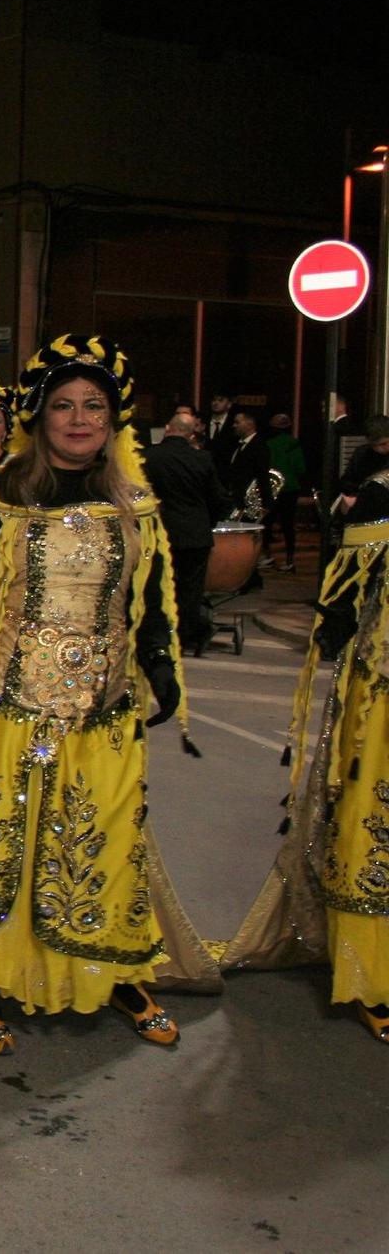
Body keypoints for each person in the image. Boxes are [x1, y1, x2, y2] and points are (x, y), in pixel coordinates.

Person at [0, 334, 221, 1054]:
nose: (77, 419)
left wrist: (161, 663)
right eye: (63, 405)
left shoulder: (136, 505)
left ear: (113, 417)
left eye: (92, 406)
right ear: (39, 417)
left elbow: (151, 604)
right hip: (4, 711)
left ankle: (111, 971)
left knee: (100, 848)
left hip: (101, 715)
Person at [226, 469, 389, 1041]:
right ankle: (374, 974)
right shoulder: (380, 493)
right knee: (374, 832)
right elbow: (343, 603)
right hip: (383, 703)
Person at [145, 413, 231, 655]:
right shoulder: (202, 459)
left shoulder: (149, 457)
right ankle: (184, 638)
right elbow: (218, 498)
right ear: (191, 434)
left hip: (161, 532)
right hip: (195, 534)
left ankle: (160, 635)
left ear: (166, 428)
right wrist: (207, 522)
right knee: (191, 589)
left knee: (159, 584)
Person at [265, 412, 305, 571]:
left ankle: (266, 555)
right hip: (291, 488)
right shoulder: (294, 444)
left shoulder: (268, 444)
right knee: (288, 524)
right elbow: (300, 468)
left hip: (273, 488)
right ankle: (290, 559)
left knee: (267, 522)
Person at [205, 392, 240, 467]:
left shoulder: (233, 423)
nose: (216, 403)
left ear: (229, 404)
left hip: (226, 467)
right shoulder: (204, 421)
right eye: (214, 400)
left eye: (220, 400)